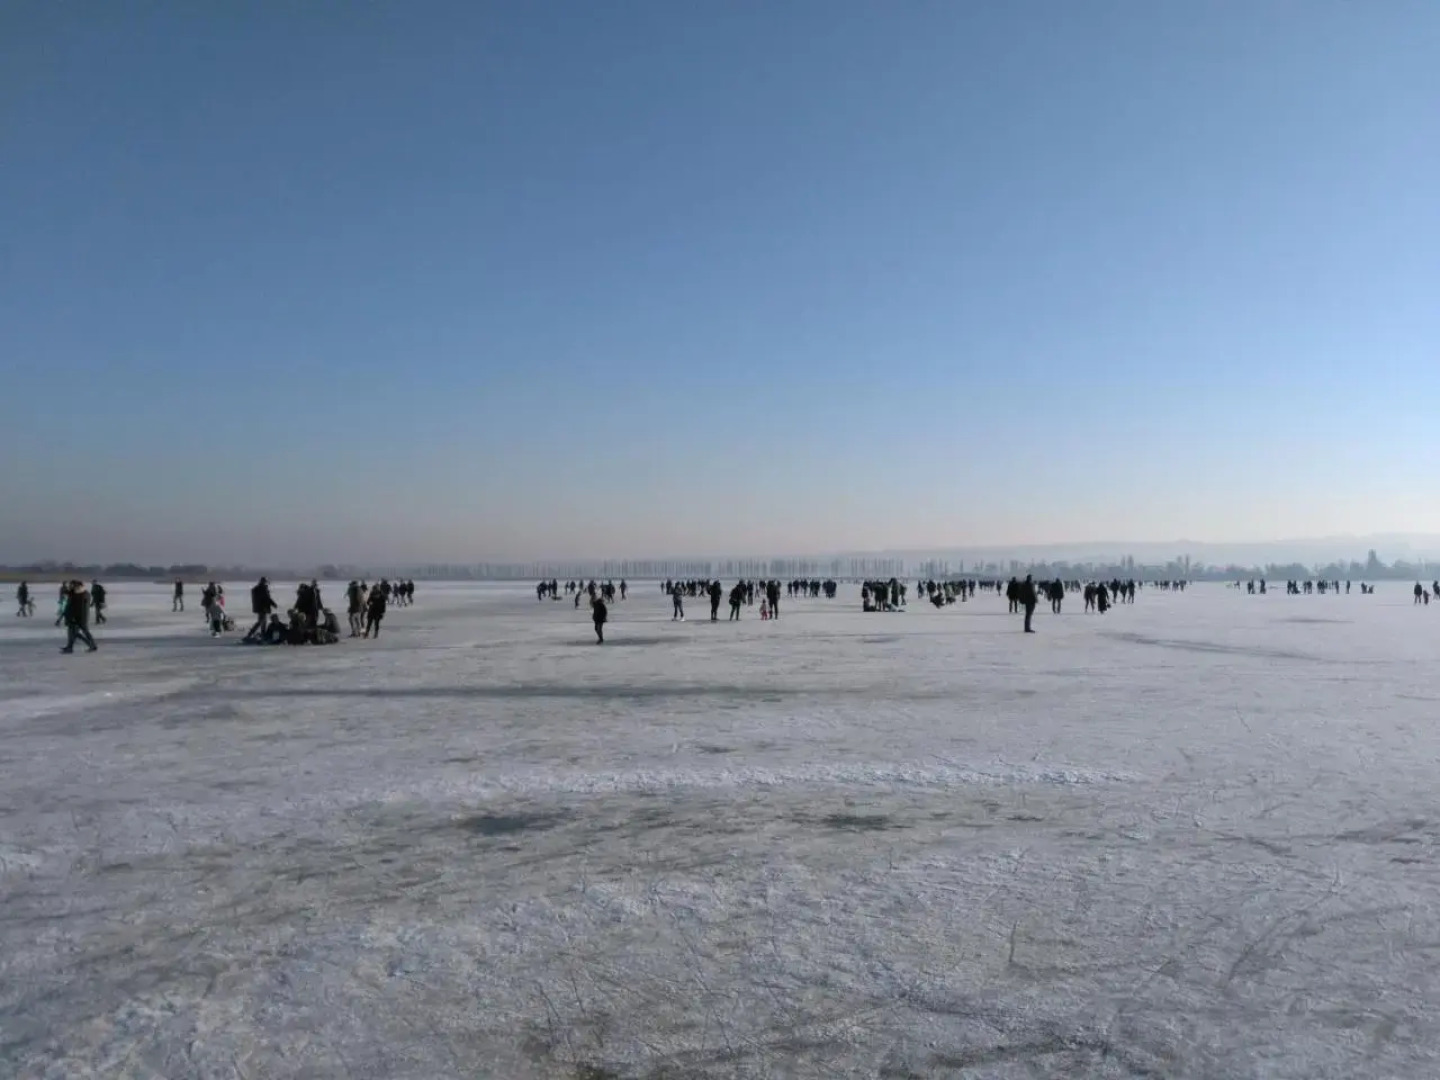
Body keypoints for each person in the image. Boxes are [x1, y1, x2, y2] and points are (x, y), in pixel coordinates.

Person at [61, 581, 98, 653]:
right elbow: (69, 597)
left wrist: (73, 617)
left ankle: (91, 645)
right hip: (75, 616)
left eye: (72, 585)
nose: (70, 586)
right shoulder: (77, 593)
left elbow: (79, 607)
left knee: (76, 633)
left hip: (79, 617)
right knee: (73, 632)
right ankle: (70, 647)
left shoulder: (81, 594)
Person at [246, 577, 277, 641]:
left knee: (263, 622)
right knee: (261, 622)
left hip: (259, 608)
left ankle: (263, 635)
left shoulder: (257, 588)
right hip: (263, 608)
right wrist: (274, 604)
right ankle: (251, 634)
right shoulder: (262, 589)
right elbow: (267, 598)